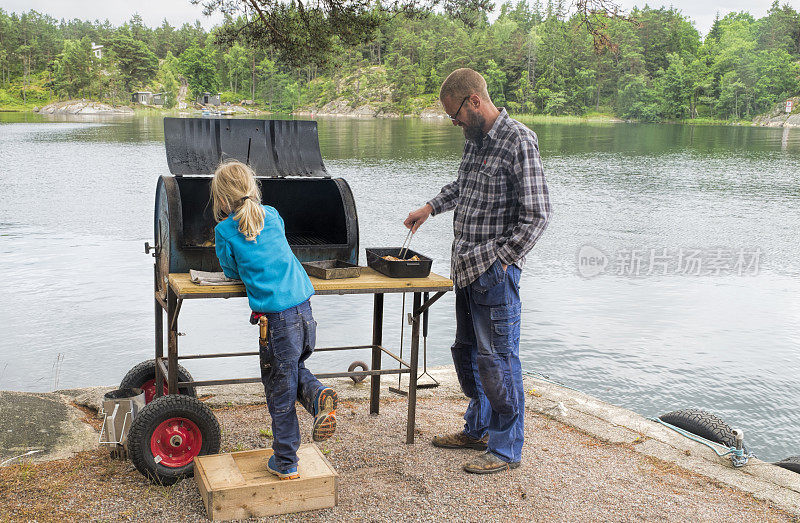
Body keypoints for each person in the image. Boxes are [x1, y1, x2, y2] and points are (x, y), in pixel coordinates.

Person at [404, 68, 551, 474]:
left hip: (493, 273)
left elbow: (538, 214)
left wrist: (502, 260)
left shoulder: (518, 140)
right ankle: (478, 429)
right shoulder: (475, 141)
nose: (454, 124)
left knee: (499, 359)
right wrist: (430, 207)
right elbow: (462, 187)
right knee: (469, 355)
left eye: (455, 115)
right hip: (465, 269)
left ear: (474, 101)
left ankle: (506, 449)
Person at [211, 159, 338, 480]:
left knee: (279, 392)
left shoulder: (224, 230)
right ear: (253, 189)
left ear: (222, 200)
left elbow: (230, 270)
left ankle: (285, 462)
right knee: (293, 371)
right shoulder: (274, 216)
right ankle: (318, 395)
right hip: (305, 311)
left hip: (278, 323)